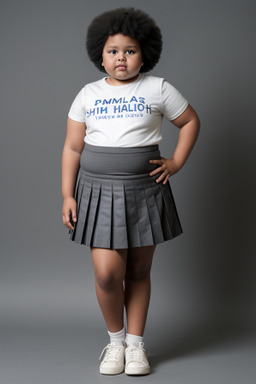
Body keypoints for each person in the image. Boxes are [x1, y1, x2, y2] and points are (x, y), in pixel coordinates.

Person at [61, 7, 200, 376]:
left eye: (130, 50)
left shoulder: (158, 88)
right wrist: (67, 194)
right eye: (112, 51)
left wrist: (176, 162)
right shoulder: (87, 94)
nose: (121, 58)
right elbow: (73, 148)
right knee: (108, 273)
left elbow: (189, 122)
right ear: (100, 55)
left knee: (138, 270)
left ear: (145, 54)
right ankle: (115, 342)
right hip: (97, 191)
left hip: (144, 190)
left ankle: (136, 347)